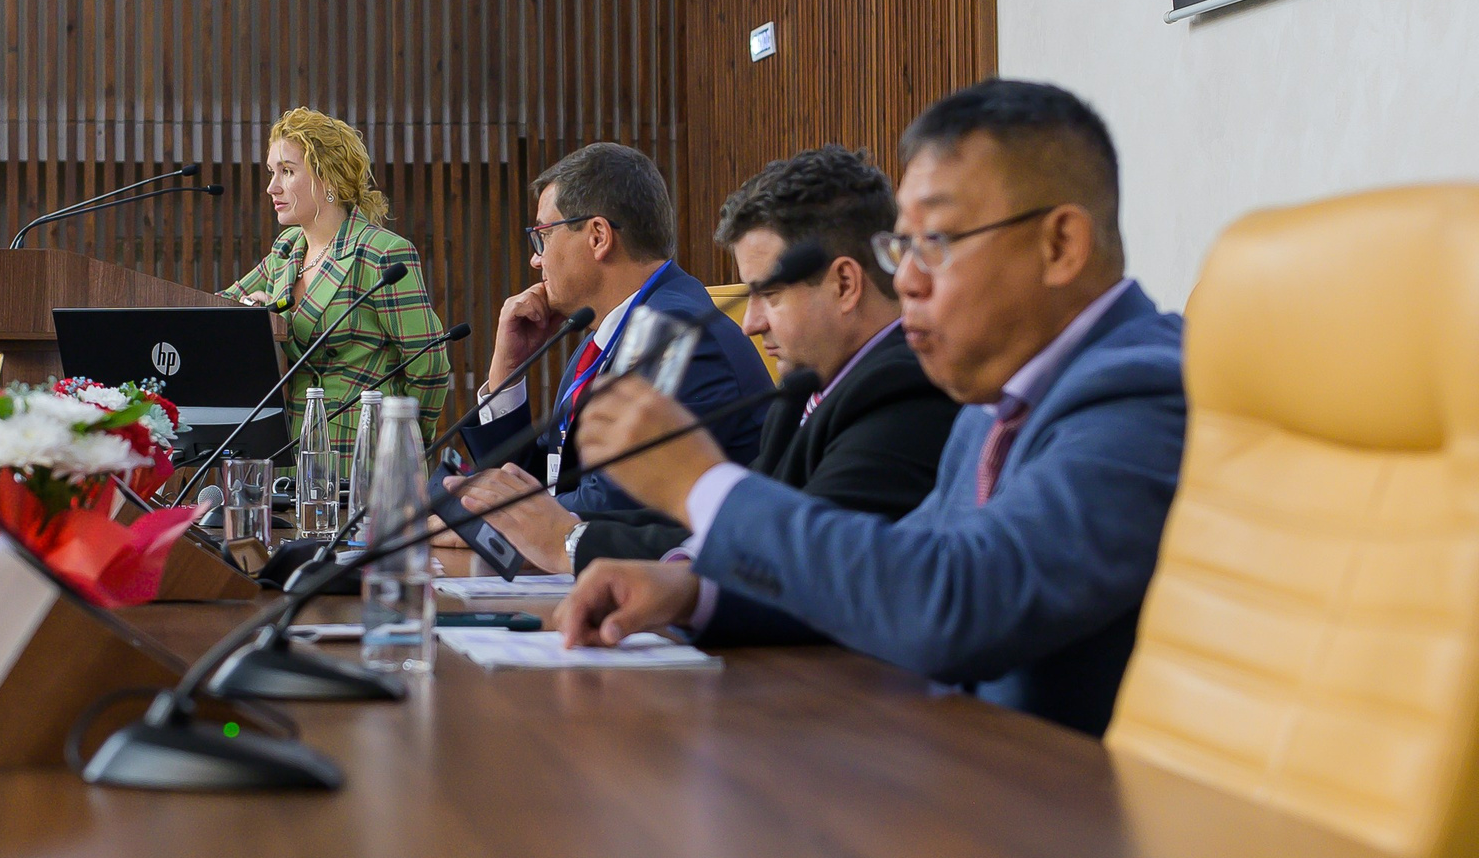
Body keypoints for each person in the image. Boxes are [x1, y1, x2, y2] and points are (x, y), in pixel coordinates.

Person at [556, 81, 1186, 737]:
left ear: (1059, 246)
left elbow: (956, 602)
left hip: (1055, 788)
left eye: (935, 240)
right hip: (959, 759)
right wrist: (695, 591)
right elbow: (889, 574)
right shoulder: (993, 401)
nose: (906, 279)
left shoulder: (1144, 391)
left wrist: (702, 484)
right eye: (900, 247)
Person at [447, 148, 956, 636]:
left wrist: (568, 538)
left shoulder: (901, 390)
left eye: (769, 294)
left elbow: (821, 569)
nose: (750, 323)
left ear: (844, 285)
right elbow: (733, 538)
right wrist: (671, 578)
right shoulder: (805, 392)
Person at [455, 143, 777, 517]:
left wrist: (492, 517)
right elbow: (547, 479)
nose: (536, 259)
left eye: (544, 235)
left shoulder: (677, 333)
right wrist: (508, 372)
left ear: (598, 237)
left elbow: (618, 504)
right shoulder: (603, 337)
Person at [226, 108, 451, 454]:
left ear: (328, 177)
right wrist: (248, 312)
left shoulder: (382, 252)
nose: (272, 187)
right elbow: (214, 309)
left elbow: (429, 364)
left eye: (287, 171)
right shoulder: (286, 250)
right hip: (293, 446)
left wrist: (406, 442)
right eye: (272, 172)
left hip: (365, 450)